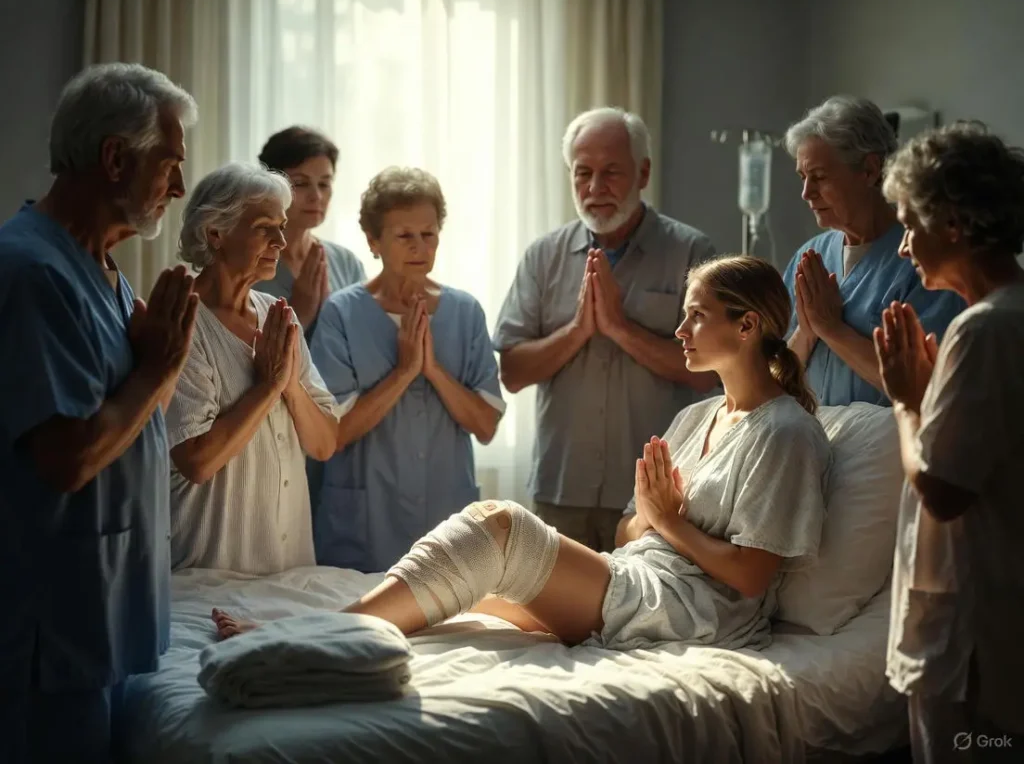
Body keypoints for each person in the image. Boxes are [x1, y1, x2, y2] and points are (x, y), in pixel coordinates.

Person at [214, 256, 832, 664]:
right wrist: (652, 517)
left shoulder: (785, 433)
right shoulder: (697, 417)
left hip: (694, 612)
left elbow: (752, 578)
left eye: (696, 316)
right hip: (637, 571)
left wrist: (668, 520)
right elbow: (627, 531)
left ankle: (311, 637)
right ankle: (329, 622)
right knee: (453, 578)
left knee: (500, 527)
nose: (681, 330)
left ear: (747, 325)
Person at [0, 63, 198, 764]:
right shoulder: (34, 272)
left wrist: (161, 364)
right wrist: (158, 367)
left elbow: (138, 421)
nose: (178, 187)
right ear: (116, 158)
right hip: (52, 633)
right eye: (168, 165)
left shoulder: (106, 273)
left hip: (105, 617)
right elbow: (68, 458)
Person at [493, 106, 719, 553]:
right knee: (551, 602)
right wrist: (578, 331)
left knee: (646, 600)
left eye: (612, 172)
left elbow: (709, 373)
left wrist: (620, 328)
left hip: (658, 494)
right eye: (583, 173)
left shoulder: (691, 252)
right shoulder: (543, 257)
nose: (595, 188)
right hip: (561, 489)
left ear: (643, 173)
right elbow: (512, 373)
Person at [874, 122, 1024, 762]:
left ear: (955, 223)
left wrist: (907, 401)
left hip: (971, 644)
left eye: (911, 225)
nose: (905, 245)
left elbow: (942, 489)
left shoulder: (984, 329)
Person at [310, 166, 504, 573]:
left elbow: (486, 425)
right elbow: (334, 434)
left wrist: (431, 369)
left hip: (446, 524)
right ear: (373, 241)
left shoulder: (465, 312)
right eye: (404, 236)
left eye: (429, 234)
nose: (420, 247)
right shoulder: (341, 314)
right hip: (363, 529)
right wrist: (402, 373)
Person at [168, 162, 340, 575]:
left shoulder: (279, 316)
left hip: (289, 571)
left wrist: (291, 388)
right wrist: (268, 387)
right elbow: (197, 461)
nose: (281, 241)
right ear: (216, 233)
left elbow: (324, 444)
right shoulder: (180, 321)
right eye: (265, 228)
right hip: (208, 576)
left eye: (282, 227)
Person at [782, 95, 964, 406]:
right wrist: (806, 333)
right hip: (811, 433)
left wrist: (833, 329)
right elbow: (771, 378)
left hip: (888, 436)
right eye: (803, 177)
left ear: (869, 169)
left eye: (819, 177)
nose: (806, 193)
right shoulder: (809, 257)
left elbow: (929, 388)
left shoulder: (922, 260)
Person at [255, 126, 366, 341]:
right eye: (301, 183)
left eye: (324, 184)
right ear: (270, 185)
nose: (316, 196)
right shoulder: (250, 264)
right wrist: (300, 313)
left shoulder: (346, 263)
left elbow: (363, 343)